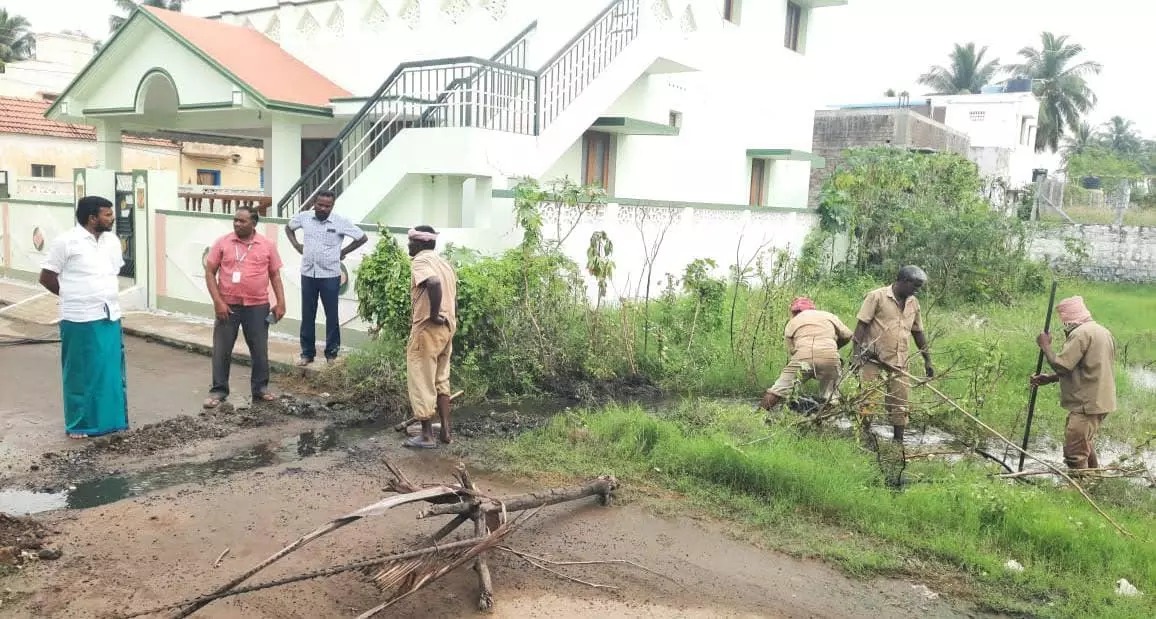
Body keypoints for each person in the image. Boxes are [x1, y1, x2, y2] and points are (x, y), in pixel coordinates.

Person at [38, 196, 129, 439]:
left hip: (109, 313)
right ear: (92, 218)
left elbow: (112, 271)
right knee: (80, 373)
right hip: (78, 317)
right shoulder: (66, 242)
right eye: (107, 215)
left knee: (109, 370)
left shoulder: (111, 241)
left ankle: (113, 421)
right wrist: (72, 296)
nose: (112, 218)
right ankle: (80, 425)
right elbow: (46, 277)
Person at [203, 206, 286, 408]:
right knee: (222, 350)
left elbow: (275, 275)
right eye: (235, 220)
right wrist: (218, 302)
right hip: (228, 306)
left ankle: (260, 389)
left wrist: (281, 302)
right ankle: (219, 391)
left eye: (242, 221)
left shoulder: (266, 245)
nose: (237, 224)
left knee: (259, 350)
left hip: (257, 306)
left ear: (254, 223)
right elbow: (210, 272)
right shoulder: (223, 242)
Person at [1030, 296, 1116, 470]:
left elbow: (1062, 366)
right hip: (1101, 400)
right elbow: (1088, 368)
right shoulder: (1102, 331)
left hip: (1086, 403)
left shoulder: (1080, 333)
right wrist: (1050, 378)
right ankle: (1094, 480)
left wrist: (1045, 345)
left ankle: (1078, 491)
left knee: (1074, 452)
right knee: (1085, 442)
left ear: (1068, 320)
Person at [853, 266, 935, 443]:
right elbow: (861, 326)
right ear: (904, 281)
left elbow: (918, 332)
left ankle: (898, 441)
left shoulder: (913, 303)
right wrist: (856, 355)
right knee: (868, 399)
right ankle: (863, 436)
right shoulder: (877, 296)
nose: (916, 290)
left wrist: (927, 360)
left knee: (900, 402)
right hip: (872, 359)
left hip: (899, 361)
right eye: (915, 286)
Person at [285, 190, 368, 366]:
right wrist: (296, 245)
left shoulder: (340, 222)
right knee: (307, 314)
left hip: (330, 275)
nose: (323, 208)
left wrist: (343, 252)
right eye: (320, 204)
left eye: (327, 206)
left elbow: (362, 237)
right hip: (308, 273)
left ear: (332, 206)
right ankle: (307, 353)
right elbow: (289, 227)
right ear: (314, 203)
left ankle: (331, 354)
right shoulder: (304, 217)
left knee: (331, 316)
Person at [402, 225, 458, 449]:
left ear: (421, 244)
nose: (409, 245)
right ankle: (446, 430)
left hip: (427, 328)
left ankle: (426, 436)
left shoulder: (421, 261)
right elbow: (453, 298)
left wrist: (434, 315)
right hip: (447, 328)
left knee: (421, 379)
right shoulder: (444, 263)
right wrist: (446, 318)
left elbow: (432, 283)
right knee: (441, 379)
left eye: (411, 242)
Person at [760, 297, 853, 412]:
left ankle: (758, 416)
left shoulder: (792, 322)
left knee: (778, 390)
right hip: (830, 357)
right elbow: (848, 335)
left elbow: (793, 350)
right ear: (812, 308)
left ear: (794, 312)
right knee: (830, 396)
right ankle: (824, 423)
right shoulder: (828, 316)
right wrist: (835, 347)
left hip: (803, 358)